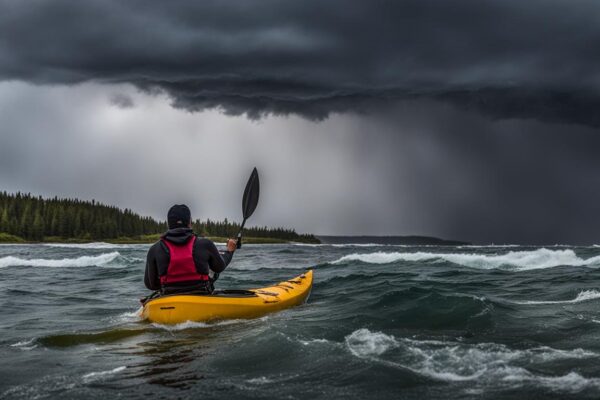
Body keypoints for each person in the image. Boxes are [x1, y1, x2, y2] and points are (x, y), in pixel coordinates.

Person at [144, 204, 237, 295]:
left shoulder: (154, 249)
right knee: (213, 272)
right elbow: (220, 267)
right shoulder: (205, 244)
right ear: (189, 223)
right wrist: (229, 251)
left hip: (169, 297)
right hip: (201, 294)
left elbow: (151, 285)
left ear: (169, 224)